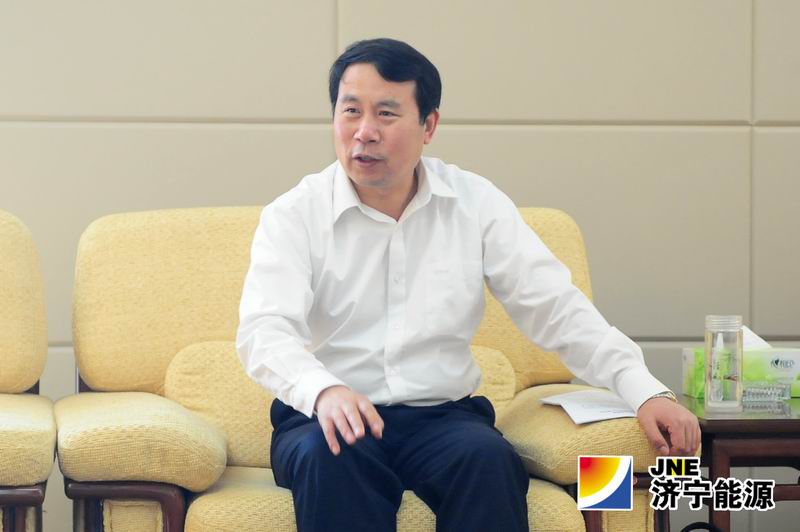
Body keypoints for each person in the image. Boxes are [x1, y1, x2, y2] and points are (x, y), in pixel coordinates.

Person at [237, 37, 700, 532]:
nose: (364, 132)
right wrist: (323, 390)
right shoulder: (295, 214)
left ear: (429, 125)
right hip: (326, 416)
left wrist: (644, 390)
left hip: (442, 420)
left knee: (488, 460)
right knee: (330, 457)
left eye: (386, 114)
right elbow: (264, 331)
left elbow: (556, 309)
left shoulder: (475, 203)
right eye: (350, 111)